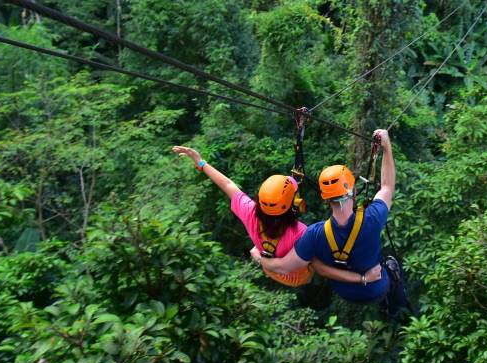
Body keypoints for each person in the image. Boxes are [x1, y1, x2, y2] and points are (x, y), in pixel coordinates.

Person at [172, 145, 381, 287]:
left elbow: (227, 185)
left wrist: (200, 162)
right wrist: (363, 277)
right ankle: (259, 256)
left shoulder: (250, 212)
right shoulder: (302, 233)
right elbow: (322, 269)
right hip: (296, 277)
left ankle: (258, 255)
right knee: (317, 257)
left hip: (271, 269)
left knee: (259, 251)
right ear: (293, 206)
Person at [251, 129, 410, 316]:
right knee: (391, 266)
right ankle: (395, 306)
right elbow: (387, 186)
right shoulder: (372, 218)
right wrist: (386, 146)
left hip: (344, 292)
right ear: (354, 191)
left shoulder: (314, 235)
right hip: (376, 289)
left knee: (319, 262)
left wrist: (259, 256)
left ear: (325, 199)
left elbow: (283, 266)